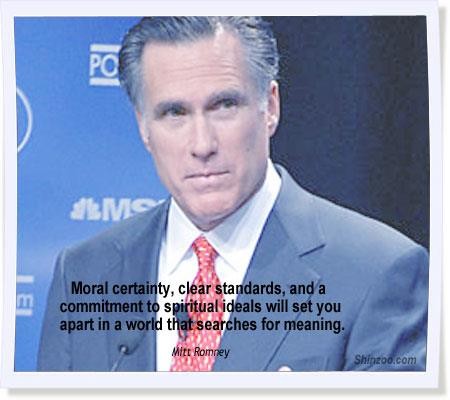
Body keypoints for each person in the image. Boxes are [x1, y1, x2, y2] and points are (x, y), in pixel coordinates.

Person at [37, 17, 428, 372]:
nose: (202, 144)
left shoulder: (377, 271)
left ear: (269, 107)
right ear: (143, 126)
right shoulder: (84, 273)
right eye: (174, 113)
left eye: (224, 105)